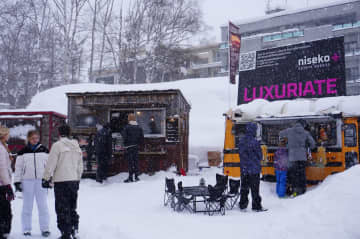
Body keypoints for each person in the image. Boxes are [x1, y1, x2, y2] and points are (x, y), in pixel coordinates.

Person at [42, 124, 83, 239]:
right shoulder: (76, 146)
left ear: (59, 133)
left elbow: (51, 164)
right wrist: (78, 179)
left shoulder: (57, 146)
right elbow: (80, 166)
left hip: (61, 181)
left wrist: (46, 178)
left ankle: (65, 232)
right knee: (72, 206)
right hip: (73, 181)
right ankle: (75, 229)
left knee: (61, 207)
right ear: (70, 133)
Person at [14, 130, 50, 237]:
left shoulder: (44, 150)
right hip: (27, 181)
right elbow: (18, 168)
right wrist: (17, 182)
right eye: (33, 138)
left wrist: (49, 179)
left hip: (41, 181)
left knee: (42, 206)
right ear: (29, 139)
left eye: (37, 138)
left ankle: (45, 228)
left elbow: (49, 166)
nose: (35, 140)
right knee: (27, 206)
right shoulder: (23, 151)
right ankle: (26, 229)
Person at [280, 119, 316, 197]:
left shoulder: (289, 131)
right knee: (302, 174)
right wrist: (306, 146)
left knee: (294, 174)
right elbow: (313, 144)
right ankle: (302, 190)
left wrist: (286, 142)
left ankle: (294, 190)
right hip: (302, 157)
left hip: (292, 157)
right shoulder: (306, 133)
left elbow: (280, 134)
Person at [237, 122, 266, 212]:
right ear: (254, 131)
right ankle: (256, 206)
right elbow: (260, 156)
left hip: (244, 169)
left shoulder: (241, 141)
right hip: (254, 169)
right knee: (255, 189)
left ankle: (243, 205)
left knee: (244, 188)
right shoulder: (255, 142)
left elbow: (240, 154)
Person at [0, 126, 14, 239]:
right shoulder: (0, 148)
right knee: (4, 210)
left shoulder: (4, 147)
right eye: (7, 134)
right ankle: (3, 232)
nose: (9, 136)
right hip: (2, 185)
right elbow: (2, 168)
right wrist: (7, 185)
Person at [122, 113, 144, 183]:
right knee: (136, 162)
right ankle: (136, 176)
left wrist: (125, 143)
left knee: (130, 163)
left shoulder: (127, 127)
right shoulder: (139, 127)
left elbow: (124, 137)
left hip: (129, 147)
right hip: (136, 147)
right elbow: (142, 138)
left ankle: (130, 177)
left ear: (129, 119)